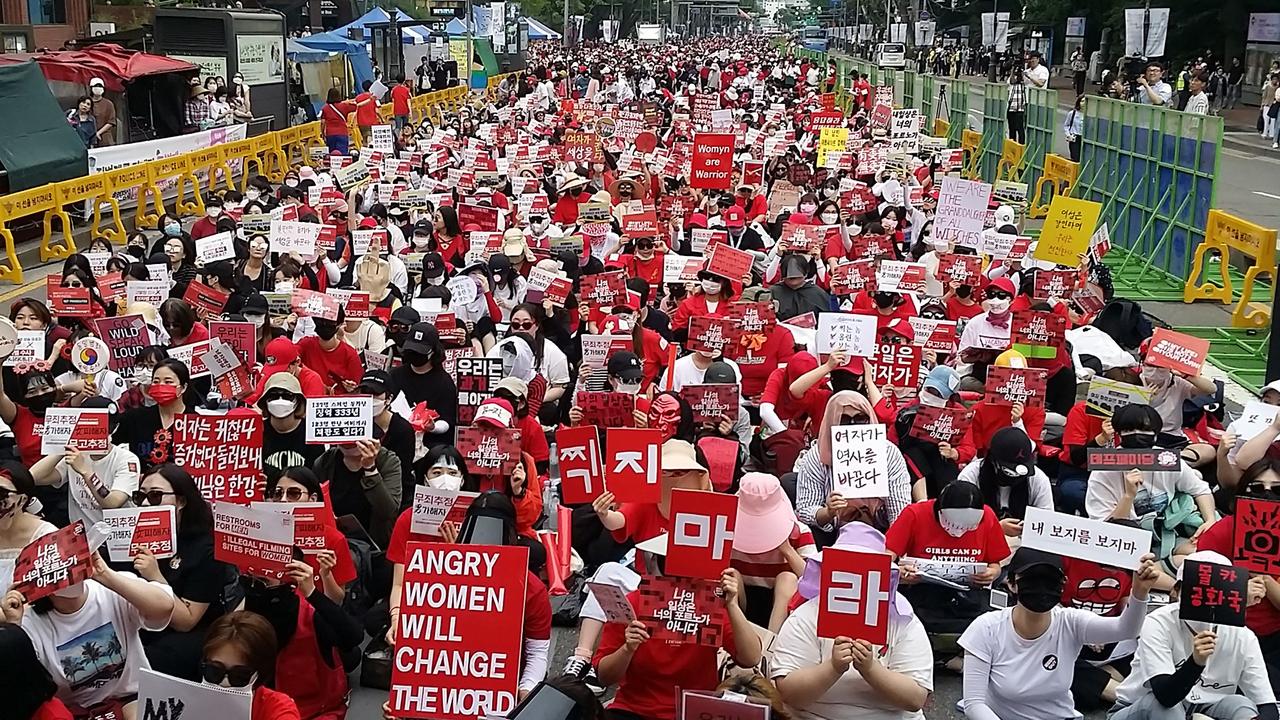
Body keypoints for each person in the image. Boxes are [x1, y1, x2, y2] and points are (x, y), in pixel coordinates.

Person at [959, 547, 1160, 720]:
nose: (1041, 587)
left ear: (1062, 584)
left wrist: (1139, 593)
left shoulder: (1070, 622)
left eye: (1050, 580)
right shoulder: (986, 628)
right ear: (1011, 583)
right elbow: (974, 703)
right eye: (1031, 579)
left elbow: (1126, 629)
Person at [772, 523, 934, 720]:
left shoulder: (903, 620)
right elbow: (788, 693)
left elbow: (915, 698)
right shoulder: (806, 616)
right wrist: (832, 667)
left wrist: (871, 669)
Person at [2, 548, 175, 716]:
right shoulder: (30, 623)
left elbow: (164, 607)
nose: (66, 572)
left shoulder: (112, 589)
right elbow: (25, 688)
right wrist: (14, 625)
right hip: (76, 712)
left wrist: (105, 574)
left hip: (131, 697)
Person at [1109, 550, 1277, 719]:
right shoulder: (1158, 622)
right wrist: (1196, 663)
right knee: (1167, 709)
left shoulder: (1243, 635)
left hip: (1204, 706)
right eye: (1196, 590)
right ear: (1176, 590)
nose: (1208, 599)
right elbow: (1165, 696)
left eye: (1218, 592)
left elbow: (1267, 705)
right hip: (1141, 708)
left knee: (1241, 705)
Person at [201, 611, 302, 720]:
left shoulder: (277, 707)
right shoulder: (185, 699)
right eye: (215, 671)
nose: (225, 683)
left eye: (239, 676)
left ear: (259, 673)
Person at [87, 77, 116, 147]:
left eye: (100, 86)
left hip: (105, 138)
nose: (98, 88)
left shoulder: (108, 104)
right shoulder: (87, 102)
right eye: (96, 86)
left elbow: (111, 122)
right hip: (89, 137)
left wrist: (98, 133)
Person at [1063, 95, 1084, 162]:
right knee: (1075, 158)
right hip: (1075, 137)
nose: (1084, 103)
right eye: (1082, 101)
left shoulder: (1090, 114)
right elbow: (1066, 125)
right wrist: (1068, 135)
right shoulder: (1072, 113)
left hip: (1085, 138)